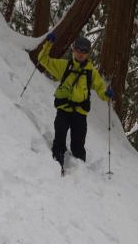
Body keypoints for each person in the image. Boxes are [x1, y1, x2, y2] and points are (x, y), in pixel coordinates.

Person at [37, 32, 115, 173]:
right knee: (59, 139)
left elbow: (100, 89)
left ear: (88, 53)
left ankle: (80, 172)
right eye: (78, 49)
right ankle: (56, 166)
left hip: (80, 113)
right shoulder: (65, 66)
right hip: (63, 110)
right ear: (73, 50)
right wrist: (48, 44)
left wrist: (107, 94)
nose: (80, 53)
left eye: (84, 51)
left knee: (78, 145)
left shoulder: (91, 73)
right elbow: (43, 59)